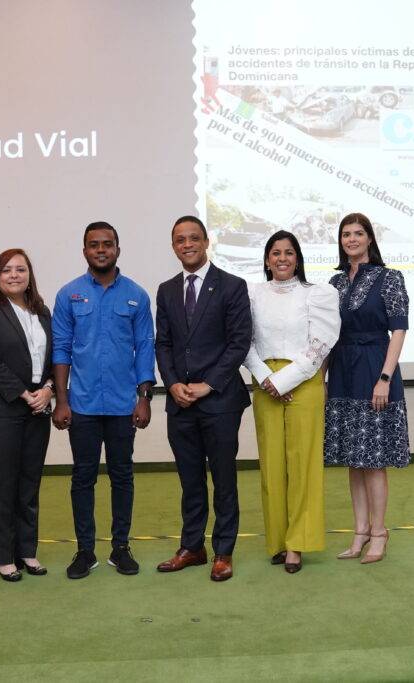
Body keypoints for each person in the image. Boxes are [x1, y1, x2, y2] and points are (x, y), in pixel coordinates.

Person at [52, 221, 155, 579]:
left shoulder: (137, 296)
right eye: (94, 245)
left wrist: (144, 398)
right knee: (83, 477)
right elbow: (61, 349)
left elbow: (144, 348)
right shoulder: (69, 295)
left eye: (107, 244)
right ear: (84, 251)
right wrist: (61, 401)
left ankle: (120, 548)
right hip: (80, 405)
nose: (101, 250)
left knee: (122, 475)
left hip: (122, 405)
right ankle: (84, 551)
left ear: (117, 249)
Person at [155, 215, 252, 582]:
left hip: (220, 401)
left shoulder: (231, 286)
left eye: (194, 237)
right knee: (190, 479)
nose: (187, 244)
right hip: (180, 402)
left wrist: (208, 384)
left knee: (223, 479)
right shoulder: (165, 290)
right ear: (174, 246)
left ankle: (223, 552)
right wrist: (174, 383)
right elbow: (163, 343)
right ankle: (192, 547)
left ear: (207, 241)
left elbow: (239, 342)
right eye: (180, 239)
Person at [244, 230, 340, 573]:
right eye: (275, 253)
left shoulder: (317, 294)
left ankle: (297, 544)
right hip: (264, 383)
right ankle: (278, 542)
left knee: (304, 466)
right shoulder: (252, 294)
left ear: (297, 258)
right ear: (267, 260)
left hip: (306, 381)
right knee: (271, 466)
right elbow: (243, 340)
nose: (282, 258)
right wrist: (266, 379)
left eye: (288, 252)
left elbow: (322, 341)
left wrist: (285, 380)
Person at [324, 213, 410, 564]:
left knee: (373, 461)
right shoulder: (334, 282)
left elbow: (399, 330)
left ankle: (379, 532)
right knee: (353, 461)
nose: (352, 239)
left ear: (370, 239)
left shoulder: (390, 278)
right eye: (346, 234)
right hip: (342, 371)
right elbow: (328, 336)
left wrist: (385, 378)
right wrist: (322, 378)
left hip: (375, 369)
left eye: (358, 233)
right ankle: (359, 531)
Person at [0, 248, 53, 582]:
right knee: (5, 482)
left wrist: (48, 389)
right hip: (1, 407)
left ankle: (27, 551)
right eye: (7, 270)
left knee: (30, 482)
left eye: (20, 269)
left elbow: (55, 355)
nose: (14, 275)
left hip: (38, 406)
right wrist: (22, 392)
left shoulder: (41, 311)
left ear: (30, 274)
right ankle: (4, 556)